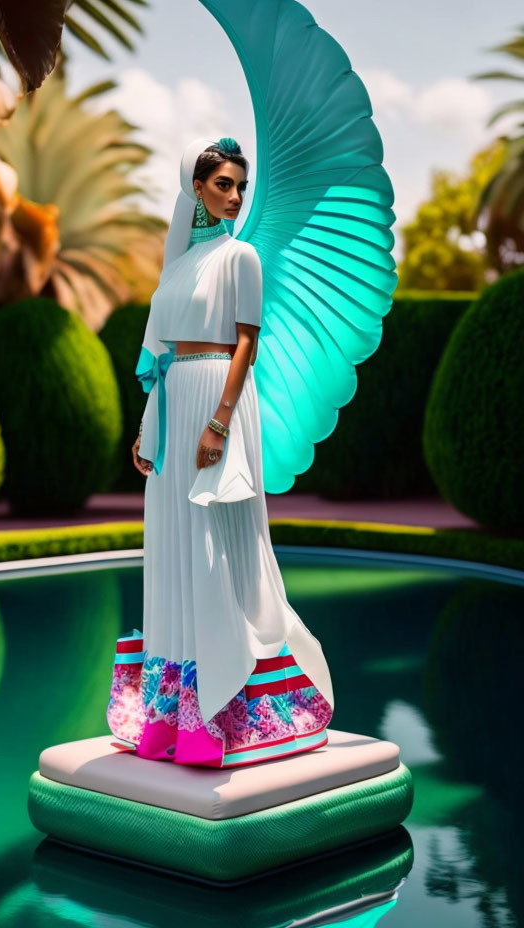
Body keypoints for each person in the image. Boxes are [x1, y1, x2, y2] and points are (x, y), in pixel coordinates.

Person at [107, 136, 334, 768]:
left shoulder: (243, 259)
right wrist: (151, 427)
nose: (234, 196)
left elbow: (245, 345)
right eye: (222, 184)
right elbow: (161, 359)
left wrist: (219, 422)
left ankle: (212, 718)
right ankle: (165, 713)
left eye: (239, 184)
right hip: (176, 403)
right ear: (196, 189)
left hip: (219, 404)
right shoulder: (176, 264)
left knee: (211, 548)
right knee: (172, 546)